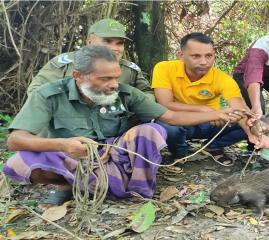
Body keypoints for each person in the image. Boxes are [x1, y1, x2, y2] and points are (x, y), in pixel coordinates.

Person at [3, 45, 246, 207]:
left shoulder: (126, 93)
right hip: (73, 155)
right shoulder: (48, 95)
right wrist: (62, 144)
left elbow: (170, 116)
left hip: (117, 155)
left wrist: (220, 114)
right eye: (105, 79)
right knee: (20, 162)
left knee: (153, 130)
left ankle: (135, 190)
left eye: (116, 77)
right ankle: (69, 185)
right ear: (79, 76)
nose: (113, 85)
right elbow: (15, 140)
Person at [152, 32, 260, 170]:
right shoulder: (164, 68)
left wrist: (251, 133)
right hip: (181, 121)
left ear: (214, 55)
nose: (204, 62)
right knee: (165, 124)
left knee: (251, 121)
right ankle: (179, 154)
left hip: (213, 124)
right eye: (196, 56)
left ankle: (213, 146)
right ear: (181, 55)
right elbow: (164, 104)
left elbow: (240, 108)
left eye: (208, 56)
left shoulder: (222, 78)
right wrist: (204, 110)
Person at [27, 18, 153, 99]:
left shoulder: (130, 69)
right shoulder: (66, 63)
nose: (114, 48)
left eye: (119, 43)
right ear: (89, 41)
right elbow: (35, 91)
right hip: (67, 129)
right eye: (107, 41)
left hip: (113, 128)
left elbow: (148, 95)